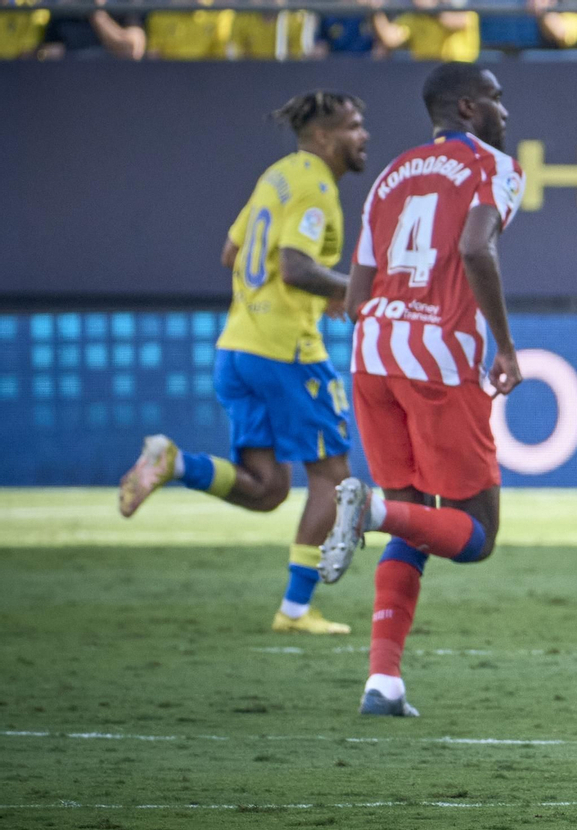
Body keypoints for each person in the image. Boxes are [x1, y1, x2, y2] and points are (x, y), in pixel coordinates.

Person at [118, 92, 369, 636]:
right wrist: (355, 291)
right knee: (334, 479)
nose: (363, 135)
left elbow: (233, 253)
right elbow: (296, 267)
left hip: (237, 347)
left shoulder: (276, 176)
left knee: (267, 488)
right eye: (353, 126)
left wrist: (306, 292)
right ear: (324, 137)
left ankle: (174, 463)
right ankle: (296, 611)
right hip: (287, 353)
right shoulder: (315, 187)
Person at [319, 63, 526, 718]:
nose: (505, 112)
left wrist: (393, 320)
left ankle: (384, 683)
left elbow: (355, 296)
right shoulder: (493, 165)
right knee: (475, 531)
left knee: (418, 523)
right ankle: (370, 512)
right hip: (437, 359)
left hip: (372, 354)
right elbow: (474, 249)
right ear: (467, 107)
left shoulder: (387, 178)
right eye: (496, 99)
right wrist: (505, 344)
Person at [37, 0, 145, 60]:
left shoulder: (125, 8)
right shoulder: (63, 12)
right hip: (71, 85)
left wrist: (96, 13)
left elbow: (131, 51)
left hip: (115, 84)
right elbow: (47, 52)